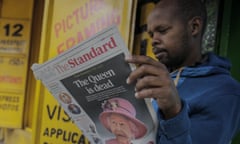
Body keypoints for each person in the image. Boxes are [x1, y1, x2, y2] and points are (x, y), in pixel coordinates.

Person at [125, 0, 240, 143]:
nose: (154, 40)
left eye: (162, 30)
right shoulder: (154, 79)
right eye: (151, 34)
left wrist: (173, 112)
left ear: (194, 27)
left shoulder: (225, 91)